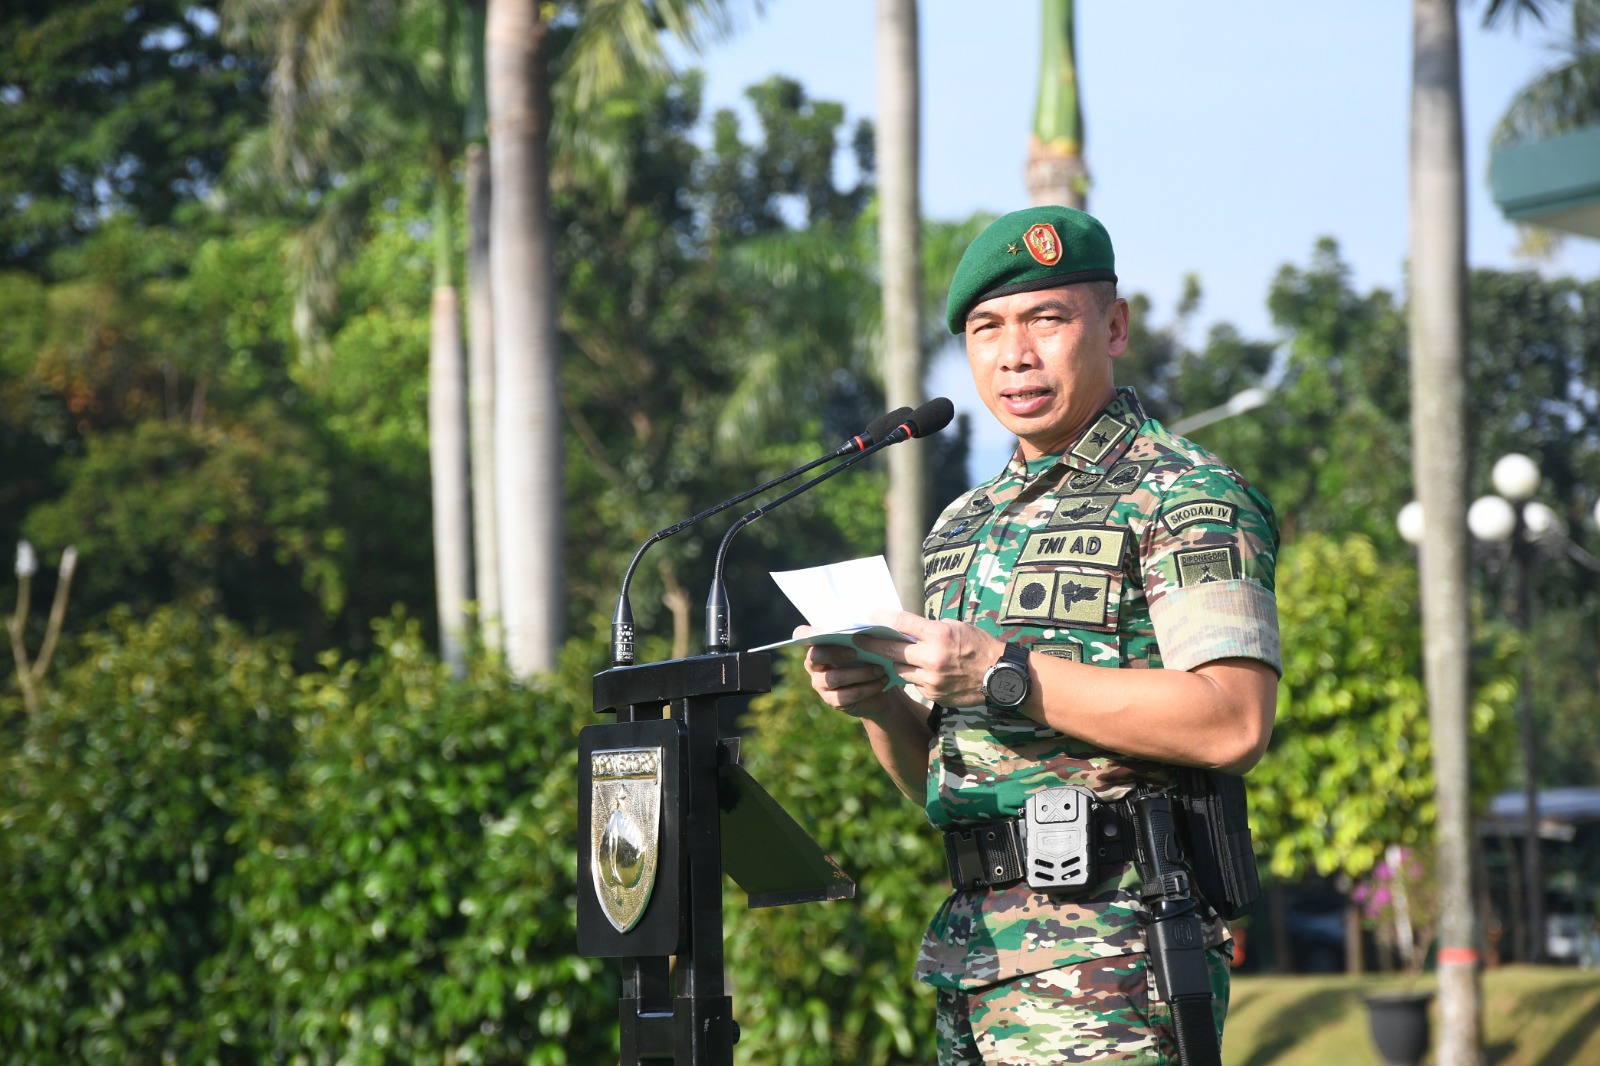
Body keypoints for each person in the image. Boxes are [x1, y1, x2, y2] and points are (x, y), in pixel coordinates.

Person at [797, 205, 1280, 1065]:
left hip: (1116, 962)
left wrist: (1003, 673)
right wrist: (874, 703)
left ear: (1115, 326)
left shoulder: (1181, 494)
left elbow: (1232, 721)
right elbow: (944, 777)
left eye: (1045, 319)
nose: (1014, 353)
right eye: (986, 329)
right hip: (973, 958)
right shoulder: (961, 525)